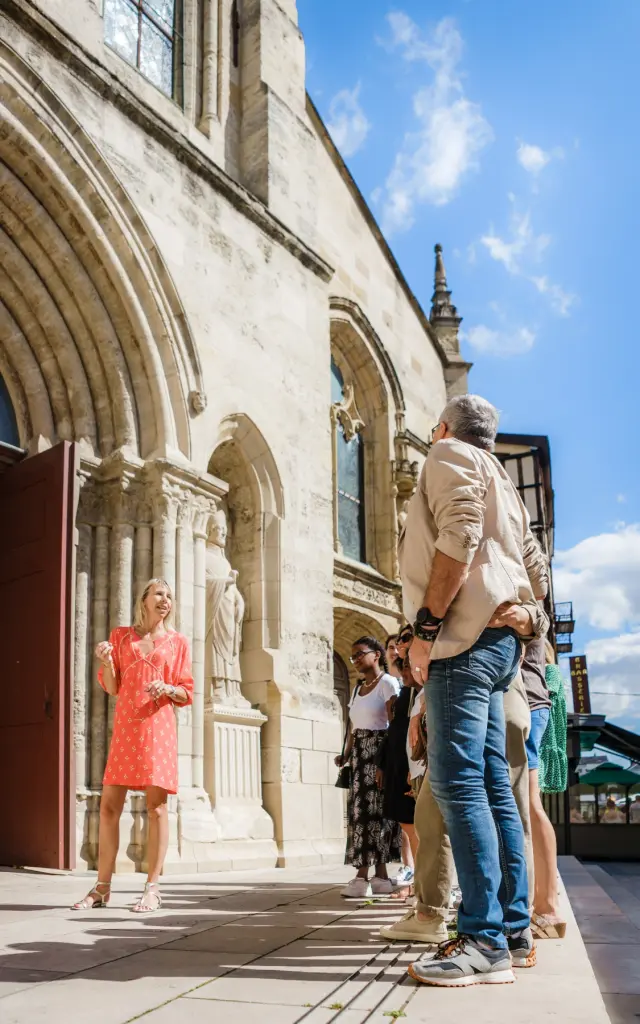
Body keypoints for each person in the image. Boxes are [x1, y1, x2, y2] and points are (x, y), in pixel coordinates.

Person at [399, 394, 549, 987]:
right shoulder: (508, 487)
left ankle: (484, 940)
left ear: (444, 427)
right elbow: (537, 575)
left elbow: (458, 533)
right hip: (498, 645)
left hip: (460, 642)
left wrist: (425, 629)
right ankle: (512, 929)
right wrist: (529, 620)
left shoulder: (447, 452)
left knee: (458, 780)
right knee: (490, 783)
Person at [72, 578, 194, 913]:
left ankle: (152, 888)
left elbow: (187, 692)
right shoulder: (120, 636)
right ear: (143, 600)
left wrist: (167, 688)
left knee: (156, 809)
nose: (165, 600)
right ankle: (101, 889)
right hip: (126, 729)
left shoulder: (178, 642)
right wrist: (106, 660)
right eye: (159, 594)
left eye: (170, 595)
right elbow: (112, 687)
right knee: (110, 806)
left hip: (158, 727)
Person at [335, 636, 401, 898]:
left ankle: (372, 876)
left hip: (379, 753)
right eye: (353, 657)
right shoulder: (357, 688)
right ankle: (372, 877)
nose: (356, 660)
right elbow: (353, 727)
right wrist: (347, 755)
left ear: (377, 654)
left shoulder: (387, 683)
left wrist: (386, 761)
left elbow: (393, 724)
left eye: (360, 654)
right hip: (360, 756)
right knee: (359, 814)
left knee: (378, 814)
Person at [521, 635, 567, 939]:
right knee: (529, 805)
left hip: (525, 705)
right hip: (532, 708)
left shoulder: (529, 624)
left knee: (526, 806)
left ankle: (547, 907)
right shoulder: (548, 672)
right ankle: (546, 904)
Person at [377, 653, 422, 901]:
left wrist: (411, 769)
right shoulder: (405, 693)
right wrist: (383, 763)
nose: (405, 672)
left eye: (408, 666)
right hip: (397, 763)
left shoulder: (421, 692)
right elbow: (393, 730)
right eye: (402, 667)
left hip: (411, 766)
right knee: (407, 825)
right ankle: (417, 882)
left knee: (417, 828)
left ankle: (421, 885)